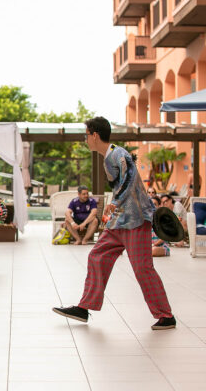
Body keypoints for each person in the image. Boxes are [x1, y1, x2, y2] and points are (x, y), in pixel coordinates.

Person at [53, 116, 176, 330]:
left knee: (142, 268)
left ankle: (166, 316)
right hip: (120, 221)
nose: (85, 139)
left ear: (95, 135)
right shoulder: (107, 157)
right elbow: (121, 185)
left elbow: (129, 179)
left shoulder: (119, 154)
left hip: (136, 219)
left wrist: (115, 202)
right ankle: (84, 307)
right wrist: (115, 205)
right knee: (97, 255)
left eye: (86, 135)